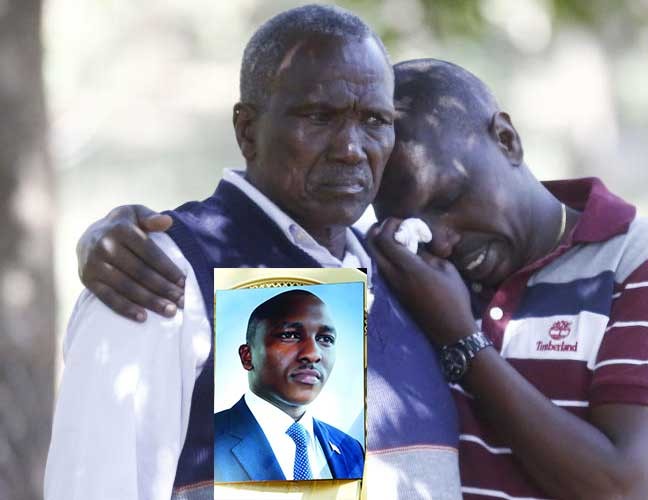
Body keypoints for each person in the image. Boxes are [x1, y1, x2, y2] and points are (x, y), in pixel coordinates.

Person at [83, 59, 648, 499]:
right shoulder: (400, 278)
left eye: (448, 200)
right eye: (408, 222)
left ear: (507, 139)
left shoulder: (644, 261)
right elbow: (294, 483)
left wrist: (462, 345)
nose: (436, 238)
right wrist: (121, 237)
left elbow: (627, 487)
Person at [45, 6, 461, 500]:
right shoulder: (160, 274)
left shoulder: (408, 272)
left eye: (374, 120)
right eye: (319, 117)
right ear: (247, 131)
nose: (352, 148)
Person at [215, 289, 363, 481]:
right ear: (247, 356)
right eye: (290, 335)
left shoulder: (351, 449)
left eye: (325, 339)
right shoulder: (204, 441)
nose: (313, 353)